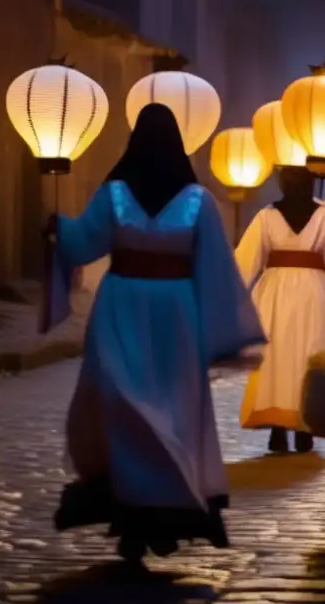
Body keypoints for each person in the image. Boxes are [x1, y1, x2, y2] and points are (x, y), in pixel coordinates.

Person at [49, 103, 265, 563]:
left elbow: (82, 241)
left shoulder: (116, 194)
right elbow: (217, 270)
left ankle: (140, 511)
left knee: (123, 402)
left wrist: (58, 233)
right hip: (176, 315)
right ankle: (153, 510)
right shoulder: (197, 201)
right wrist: (223, 327)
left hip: (122, 305)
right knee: (162, 408)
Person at [235, 165, 325, 453]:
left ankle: (279, 429)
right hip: (316, 295)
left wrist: (232, 296)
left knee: (276, 357)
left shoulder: (266, 216)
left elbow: (245, 262)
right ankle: (305, 427)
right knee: (308, 356)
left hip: (274, 293)